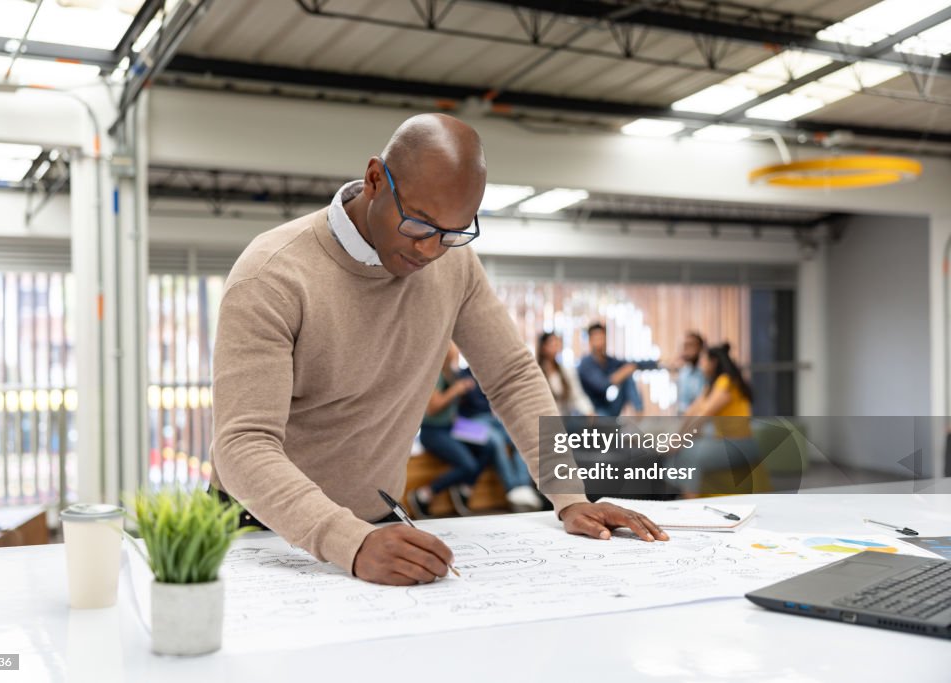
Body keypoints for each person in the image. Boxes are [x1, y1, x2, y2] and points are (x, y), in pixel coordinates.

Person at [210, 113, 668, 587]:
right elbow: (243, 445)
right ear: (374, 180)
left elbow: (511, 375)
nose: (430, 251)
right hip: (257, 532)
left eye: (453, 233)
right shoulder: (272, 275)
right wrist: (348, 541)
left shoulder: (455, 264)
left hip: (376, 527)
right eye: (418, 225)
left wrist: (570, 495)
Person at [409, 344, 496, 518]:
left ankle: (465, 488)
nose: (457, 350)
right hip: (433, 430)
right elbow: (432, 408)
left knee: (490, 443)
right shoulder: (435, 375)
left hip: (452, 426)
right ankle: (424, 494)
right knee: (468, 464)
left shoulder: (453, 374)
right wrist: (456, 390)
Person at [672, 342, 758, 496]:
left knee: (692, 455)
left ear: (713, 362)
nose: (700, 365)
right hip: (723, 441)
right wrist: (676, 438)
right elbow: (690, 413)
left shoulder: (726, 382)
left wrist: (680, 441)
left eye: (703, 361)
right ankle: (679, 495)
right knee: (677, 455)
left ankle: (689, 503)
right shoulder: (710, 386)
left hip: (739, 445)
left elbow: (704, 415)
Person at [456, 365, 544, 513]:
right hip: (466, 423)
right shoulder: (461, 375)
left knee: (520, 435)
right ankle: (513, 489)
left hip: (492, 419)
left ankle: (523, 486)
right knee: (496, 440)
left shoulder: (491, 373)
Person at [577, 323, 657, 417]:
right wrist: (623, 372)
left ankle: (639, 412)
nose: (600, 342)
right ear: (590, 341)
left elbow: (633, 364)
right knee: (626, 371)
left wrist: (657, 363)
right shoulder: (586, 363)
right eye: (596, 339)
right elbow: (602, 385)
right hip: (593, 411)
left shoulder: (609, 360)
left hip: (610, 407)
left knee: (628, 374)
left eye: (601, 338)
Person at [537, 332, 593, 416]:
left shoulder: (566, 370)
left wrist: (589, 411)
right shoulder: (537, 372)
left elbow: (577, 395)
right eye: (552, 343)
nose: (556, 346)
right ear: (543, 347)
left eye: (557, 343)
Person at [675, 331, 706, 415]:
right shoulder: (684, 372)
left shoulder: (706, 373)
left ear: (700, 348)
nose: (685, 348)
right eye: (683, 345)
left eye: (690, 345)